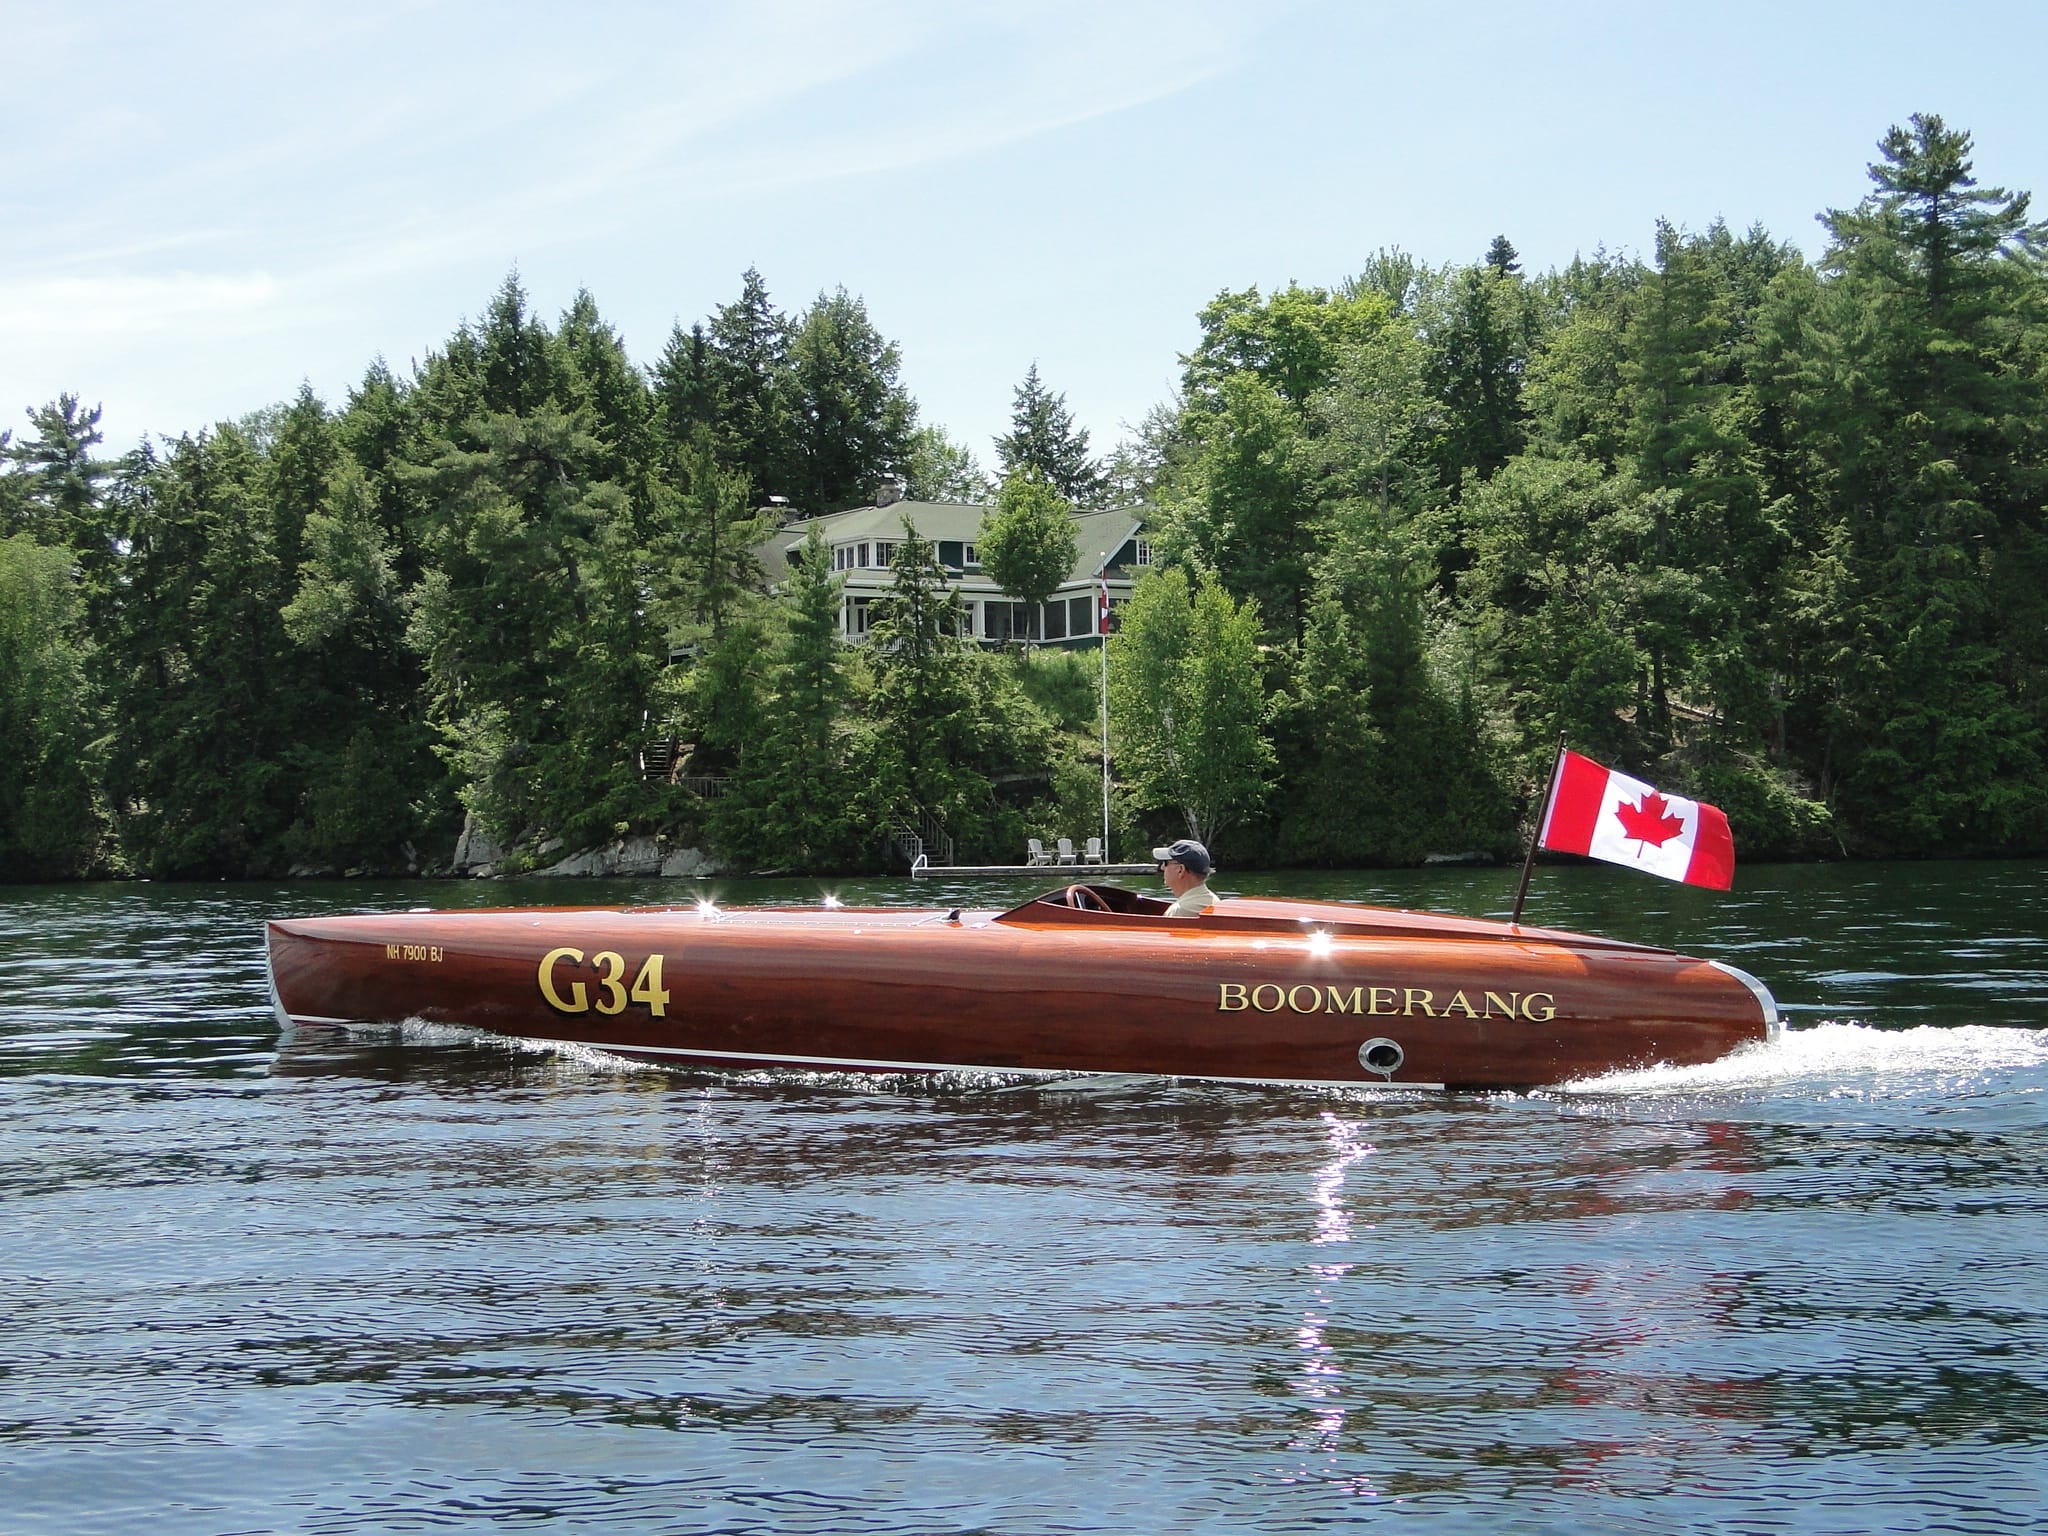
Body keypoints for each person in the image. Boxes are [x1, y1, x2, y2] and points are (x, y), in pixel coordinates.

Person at [1152, 839, 1217, 917]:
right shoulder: (1213, 901)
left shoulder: (1179, 911)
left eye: (1165, 863)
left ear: (1180, 870)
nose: (1162, 867)